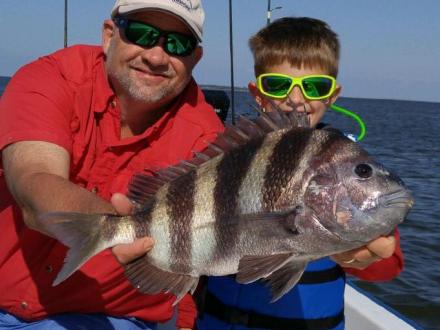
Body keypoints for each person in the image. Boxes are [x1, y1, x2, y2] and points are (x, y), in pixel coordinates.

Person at [0, 0, 224, 329]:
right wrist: (110, 228)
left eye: (178, 44)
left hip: (114, 316)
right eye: (142, 33)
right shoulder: (50, 78)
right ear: (109, 35)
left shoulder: (208, 140)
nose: (156, 56)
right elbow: (36, 180)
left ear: (195, 58)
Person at [196, 17, 404, 330]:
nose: (296, 99)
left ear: (333, 94)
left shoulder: (344, 172)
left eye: (315, 87)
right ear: (257, 92)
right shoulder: (225, 161)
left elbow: (389, 262)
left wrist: (367, 258)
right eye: (277, 85)